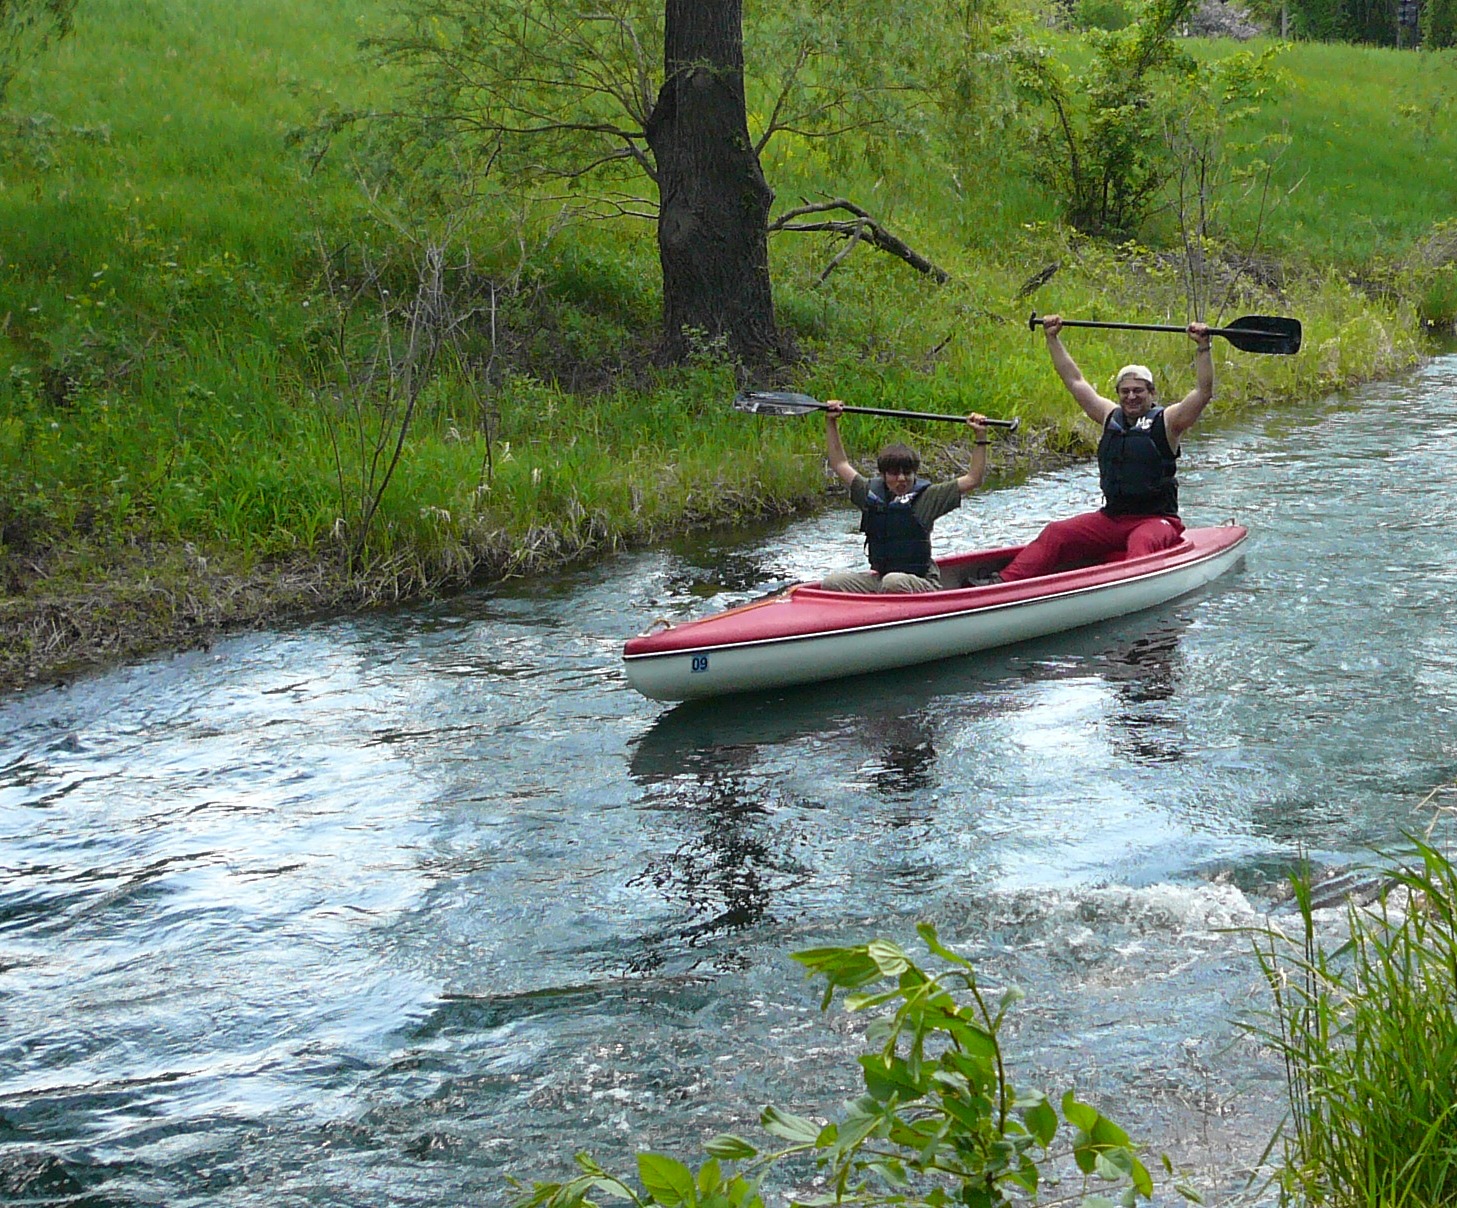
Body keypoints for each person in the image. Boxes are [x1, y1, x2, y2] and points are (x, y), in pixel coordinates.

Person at [996, 314, 1213, 583]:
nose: (1131, 396)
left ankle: (1127, 589)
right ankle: (1003, 582)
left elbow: (1203, 392)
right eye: (1125, 391)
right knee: (1056, 532)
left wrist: (1203, 347)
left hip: (1156, 520)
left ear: (1152, 394)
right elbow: (1074, 381)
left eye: (1138, 391)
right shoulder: (1110, 416)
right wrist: (1052, 338)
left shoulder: (1169, 421)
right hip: (1112, 518)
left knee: (1142, 543)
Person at [820, 399, 990, 593]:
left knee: (893, 582)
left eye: (907, 473)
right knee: (832, 582)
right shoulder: (869, 493)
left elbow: (973, 479)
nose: (901, 479)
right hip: (883, 579)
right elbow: (839, 463)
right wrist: (831, 421)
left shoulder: (929, 497)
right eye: (894, 474)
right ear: (883, 475)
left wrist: (980, 436)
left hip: (921, 582)